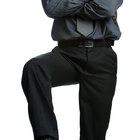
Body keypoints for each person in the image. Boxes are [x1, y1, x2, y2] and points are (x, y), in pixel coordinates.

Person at [21, 0, 123, 140]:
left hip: (102, 54)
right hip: (66, 54)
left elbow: (106, 8)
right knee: (35, 68)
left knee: (94, 134)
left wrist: (68, 8)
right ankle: (46, 137)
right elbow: (52, 8)